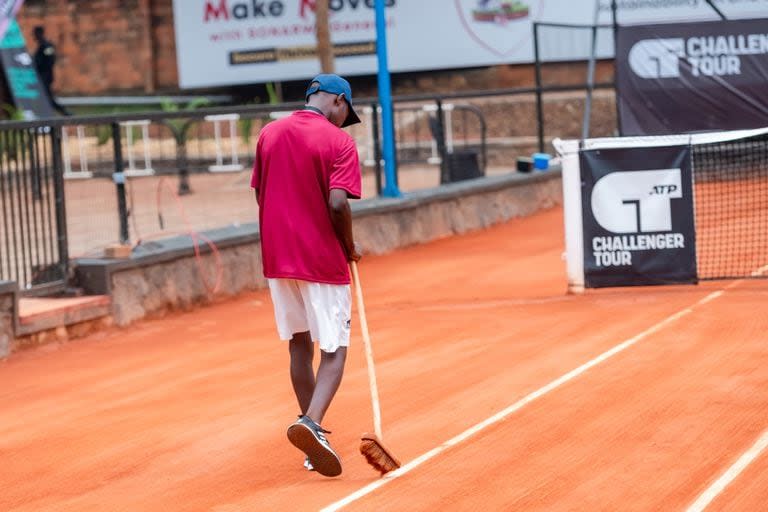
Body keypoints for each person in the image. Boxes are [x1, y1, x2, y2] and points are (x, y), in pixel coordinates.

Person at [250, 74, 363, 477]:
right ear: (338, 101)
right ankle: (311, 424)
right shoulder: (339, 142)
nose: (343, 120)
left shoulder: (269, 133)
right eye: (345, 112)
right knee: (335, 350)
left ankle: (312, 440)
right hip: (321, 260)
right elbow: (337, 204)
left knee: (299, 345)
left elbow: (262, 193)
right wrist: (349, 247)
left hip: (278, 259)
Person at [32, 26, 69, 116]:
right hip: (42, 76)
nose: (34, 36)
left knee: (47, 96)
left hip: (46, 76)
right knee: (45, 96)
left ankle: (64, 112)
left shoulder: (46, 45)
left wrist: (40, 67)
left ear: (39, 33)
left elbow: (50, 60)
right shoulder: (41, 46)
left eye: (35, 34)